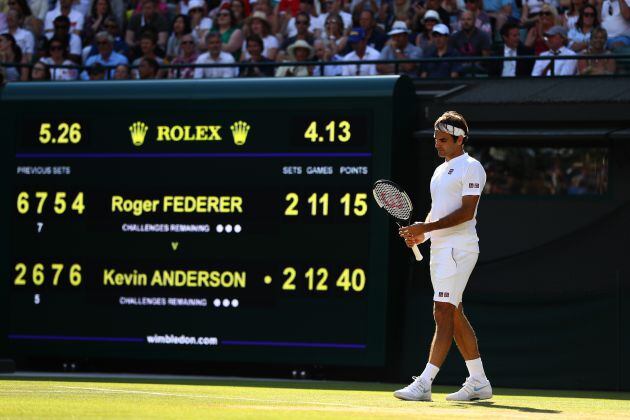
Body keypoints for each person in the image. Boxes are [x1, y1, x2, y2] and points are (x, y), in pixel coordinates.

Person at [396, 110, 491, 402]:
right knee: (453, 312)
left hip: (459, 249)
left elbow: (466, 213)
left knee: (442, 311)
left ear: (460, 139)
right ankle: (478, 381)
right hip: (440, 248)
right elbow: (437, 212)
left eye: (444, 140)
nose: (438, 144)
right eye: (436, 139)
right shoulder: (440, 170)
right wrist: (422, 234)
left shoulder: (471, 167)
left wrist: (427, 227)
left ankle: (425, 383)